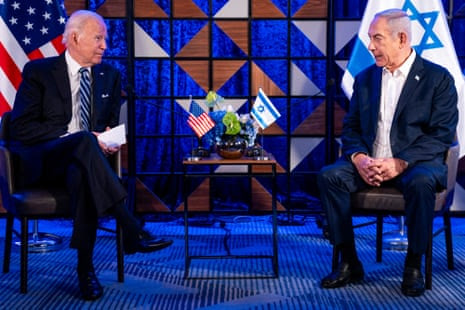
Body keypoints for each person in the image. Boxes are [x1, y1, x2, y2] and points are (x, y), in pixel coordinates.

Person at [8, 10, 173, 301]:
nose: (104, 46)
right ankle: (130, 227)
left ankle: (86, 270)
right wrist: (76, 138)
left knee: (82, 169)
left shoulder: (109, 76)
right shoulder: (40, 73)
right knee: (83, 140)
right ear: (74, 38)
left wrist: (109, 140)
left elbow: (108, 125)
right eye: (98, 38)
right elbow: (20, 129)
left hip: (85, 163)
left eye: (104, 39)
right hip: (43, 161)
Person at [317, 9, 458, 297]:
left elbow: (441, 135)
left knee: (421, 183)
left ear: (402, 38)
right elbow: (352, 129)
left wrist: (400, 162)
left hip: (415, 164)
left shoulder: (438, 79)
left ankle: (413, 266)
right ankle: (349, 261)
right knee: (330, 176)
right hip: (370, 163)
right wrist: (359, 158)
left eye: (376, 38)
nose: (369, 46)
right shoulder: (366, 79)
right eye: (370, 38)